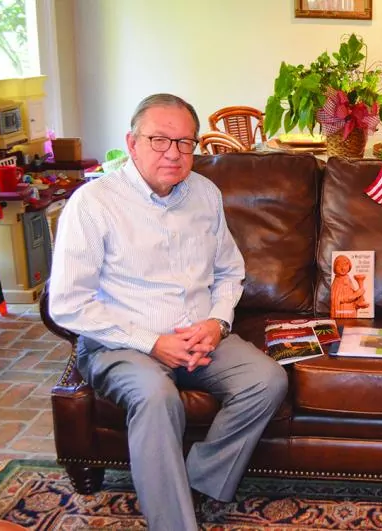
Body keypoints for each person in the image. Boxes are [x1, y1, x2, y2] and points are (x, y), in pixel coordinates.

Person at [48, 93, 289, 530]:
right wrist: (152, 343)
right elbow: (68, 303)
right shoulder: (93, 204)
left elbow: (229, 271)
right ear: (132, 142)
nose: (173, 153)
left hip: (199, 336)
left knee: (266, 380)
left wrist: (216, 323)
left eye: (185, 143)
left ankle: (197, 483)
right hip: (121, 344)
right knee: (156, 397)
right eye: (159, 140)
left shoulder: (205, 193)